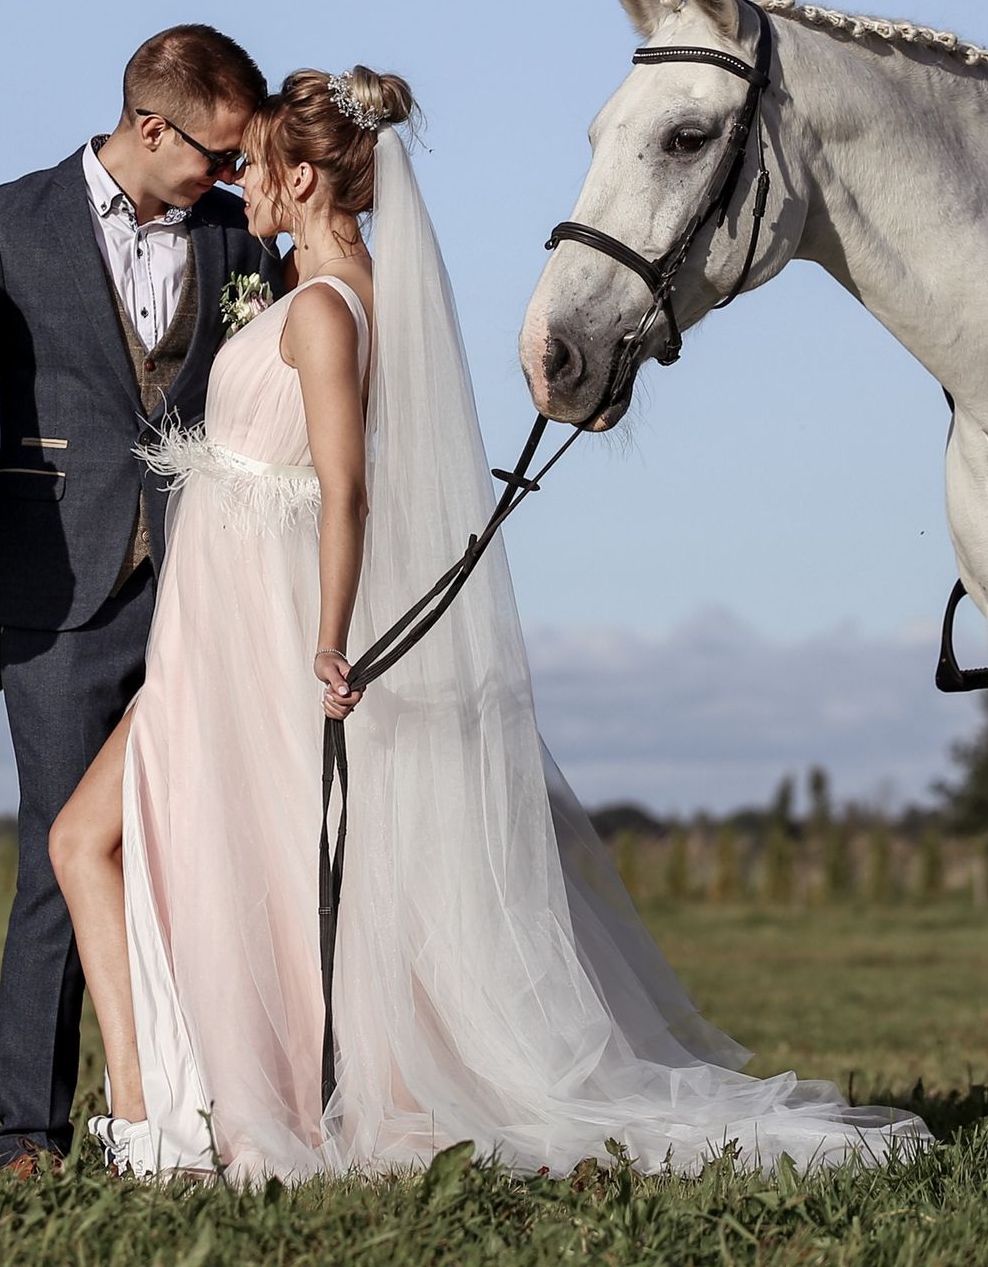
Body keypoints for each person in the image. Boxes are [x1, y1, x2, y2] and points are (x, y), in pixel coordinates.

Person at [50, 66, 932, 1182]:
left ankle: (163, 1120)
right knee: (108, 843)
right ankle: (160, 1111)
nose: (239, 184)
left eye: (255, 166)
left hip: (257, 637)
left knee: (112, 844)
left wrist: (327, 640)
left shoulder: (321, 309)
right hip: (216, 630)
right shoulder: (328, 291)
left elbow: (346, 490)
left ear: (305, 177)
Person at [0, 24, 282, 1173]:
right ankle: (29, 1130)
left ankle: (214, 1108)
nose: (230, 172)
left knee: (216, 854)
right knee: (61, 854)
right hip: (57, 584)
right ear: (151, 127)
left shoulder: (236, 234)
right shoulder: (7, 221)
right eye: (215, 152)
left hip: (211, 583)